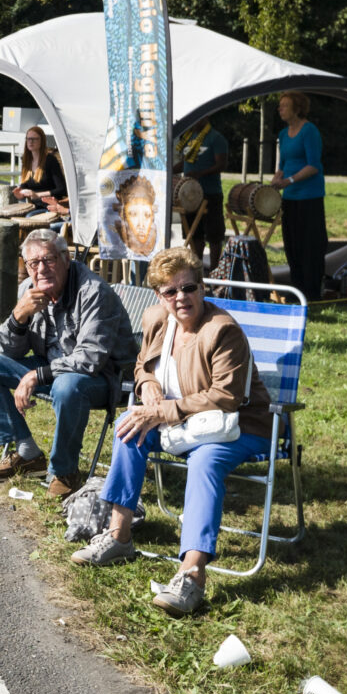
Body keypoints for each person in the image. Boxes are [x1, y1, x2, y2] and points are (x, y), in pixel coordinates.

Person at [77, 248, 275, 610]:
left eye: (189, 287)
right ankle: (119, 536)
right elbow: (142, 365)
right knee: (128, 426)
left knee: (205, 461)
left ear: (202, 288)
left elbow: (227, 396)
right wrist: (148, 385)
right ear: (158, 295)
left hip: (239, 425)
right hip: (182, 422)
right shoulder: (156, 319)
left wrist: (162, 411)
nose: (181, 297)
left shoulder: (223, 330)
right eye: (170, 291)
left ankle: (192, 575)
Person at [0, 227, 134, 497]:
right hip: (53, 368)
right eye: (33, 263)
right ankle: (27, 453)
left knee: (67, 386)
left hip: (105, 377)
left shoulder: (94, 292)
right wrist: (19, 317)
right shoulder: (29, 290)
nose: (41, 269)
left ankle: (65, 472)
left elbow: (90, 358)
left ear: (66, 259)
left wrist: (36, 375)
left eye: (49, 260)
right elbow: (9, 352)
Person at [266, 92, 326, 299]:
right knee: (292, 245)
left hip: (309, 197)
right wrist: (276, 180)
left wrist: (289, 181)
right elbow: (283, 165)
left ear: (297, 108)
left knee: (310, 245)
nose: (280, 109)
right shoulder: (283, 134)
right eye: (280, 105)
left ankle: (312, 292)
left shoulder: (309, 131)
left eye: (284, 105)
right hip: (289, 198)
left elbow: (313, 166)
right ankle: (297, 289)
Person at [181, 121, 232, 268]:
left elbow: (222, 164)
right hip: (190, 195)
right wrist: (169, 170)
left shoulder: (216, 138)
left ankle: (214, 270)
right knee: (195, 235)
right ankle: (197, 269)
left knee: (214, 235)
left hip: (210, 193)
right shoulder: (189, 137)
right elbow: (185, 163)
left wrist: (200, 173)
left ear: (205, 117)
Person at [0, 125, 68, 226]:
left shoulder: (50, 160)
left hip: (48, 206)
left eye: (34, 139)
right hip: (32, 205)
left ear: (42, 141)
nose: (30, 142)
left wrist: (37, 195)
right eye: (28, 139)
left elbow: (62, 189)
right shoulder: (27, 160)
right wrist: (20, 192)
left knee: (29, 217)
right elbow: (25, 185)